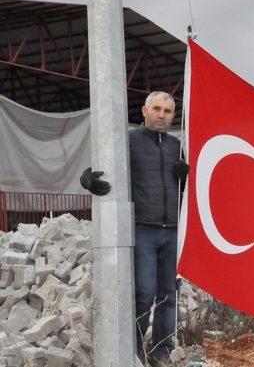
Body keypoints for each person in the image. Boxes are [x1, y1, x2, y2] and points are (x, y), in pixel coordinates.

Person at [81, 91, 188, 366]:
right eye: (157, 109)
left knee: (169, 293)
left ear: (173, 115)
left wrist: (184, 177)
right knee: (143, 292)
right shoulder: (129, 142)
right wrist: (87, 178)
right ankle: (134, 348)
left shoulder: (178, 146)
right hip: (144, 229)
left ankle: (162, 350)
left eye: (167, 111)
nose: (162, 115)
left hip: (174, 230)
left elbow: (186, 192)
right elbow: (106, 166)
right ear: (143, 111)